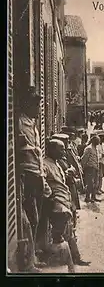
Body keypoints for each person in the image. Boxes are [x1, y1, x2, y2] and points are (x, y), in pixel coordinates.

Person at [16, 86, 52, 272]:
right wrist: (31, 149)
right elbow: (20, 148)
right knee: (31, 218)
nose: (38, 109)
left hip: (37, 174)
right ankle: (29, 262)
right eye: (35, 105)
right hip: (27, 175)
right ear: (27, 105)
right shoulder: (20, 124)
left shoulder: (32, 124)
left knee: (36, 218)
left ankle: (33, 255)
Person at [44, 139, 90, 267]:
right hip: (58, 205)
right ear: (52, 150)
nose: (63, 152)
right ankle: (63, 263)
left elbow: (57, 180)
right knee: (60, 235)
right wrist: (51, 195)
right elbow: (42, 181)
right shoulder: (45, 164)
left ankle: (75, 259)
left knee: (69, 233)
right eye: (61, 149)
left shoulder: (56, 163)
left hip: (65, 202)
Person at [80, 134, 101, 203]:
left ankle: (93, 197)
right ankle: (87, 197)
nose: (98, 142)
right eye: (97, 141)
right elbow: (84, 159)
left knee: (95, 183)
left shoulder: (96, 148)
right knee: (90, 184)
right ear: (94, 141)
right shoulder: (89, 148)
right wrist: (82, 168)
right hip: (89, 168)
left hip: (95, 168)